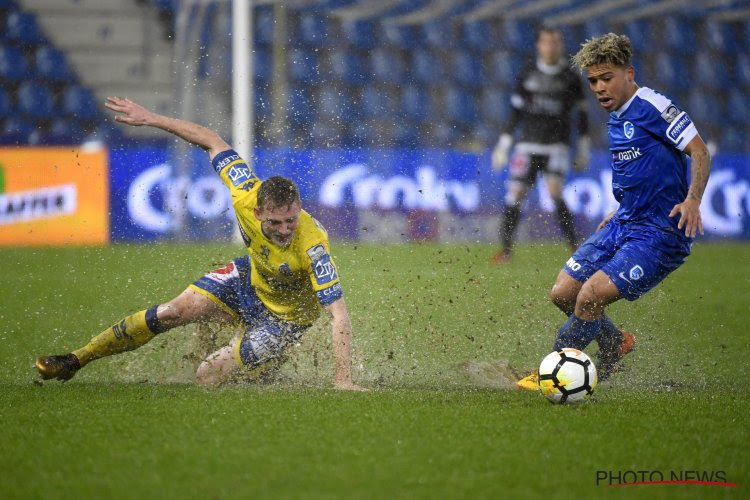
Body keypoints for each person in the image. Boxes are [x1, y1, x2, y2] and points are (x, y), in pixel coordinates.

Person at [35, 97, 366, 391]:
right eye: (275, 222)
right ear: (257, 211)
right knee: (170, 312)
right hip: (249, 278)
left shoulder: (313, 248)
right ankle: (77, 358)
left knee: (206, 376)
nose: (284, 229)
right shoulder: (244, 190)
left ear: (298, 208)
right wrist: (152, 118)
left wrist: (343, 380)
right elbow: (211, 140)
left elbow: (339, 316)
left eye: (291, 220)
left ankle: (261, 364)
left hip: (285, 319)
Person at [517, 33, 711, 389]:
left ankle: (552, 369)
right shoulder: (616, 115)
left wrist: (694, 199)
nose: (599, 88)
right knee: (563, 293)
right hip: (625, 220)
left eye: (606, 78)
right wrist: (619, 208)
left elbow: (699, 152)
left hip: (660, 232)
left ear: (629, 74)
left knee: (590, 296)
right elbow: (642, 171)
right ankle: (613, 343)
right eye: (593, 81)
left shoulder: (653, 107)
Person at [491, 26, 590, 264]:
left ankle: (573, 245)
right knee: (516, 194)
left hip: (556, 146)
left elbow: (582, 117)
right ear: (539, 45)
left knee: (555, 192)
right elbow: (515, 113)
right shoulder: (527, 74)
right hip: (527, 145)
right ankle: (505, 250)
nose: (551, 47)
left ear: (561, 45)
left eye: (556, 42)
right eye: (547, 42)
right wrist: (503, 145)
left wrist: (583, 149)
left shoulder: (570, 78)